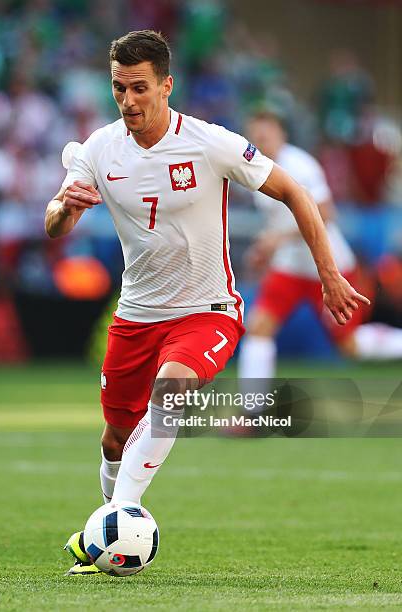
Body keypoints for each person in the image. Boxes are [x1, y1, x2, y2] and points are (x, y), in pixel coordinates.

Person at [44, 31, 370, 575]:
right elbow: (55, 223)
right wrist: (66, 209)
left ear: (167, 86)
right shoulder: (100, 148)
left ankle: (115, 519)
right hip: (136, 315)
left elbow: (296, 193)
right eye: (119, 89)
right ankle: (110, 519)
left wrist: (328, 274)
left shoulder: (209, 142)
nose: (128, 100)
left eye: (140, 88)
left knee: (171, 396)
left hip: (207, 309)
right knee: (116, 436)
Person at [238, 110, 402, 382]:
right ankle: (251, 413)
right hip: (289, 268)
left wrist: (279, 239)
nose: (261, 141)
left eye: (266, 134)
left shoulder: (300, 165)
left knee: (349, 346)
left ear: (282, 134)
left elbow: (326, 213)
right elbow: (278, 221)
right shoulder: (256, 168)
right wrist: (266, 248)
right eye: (256, 136)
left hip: (327, 268)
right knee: (258, 329)